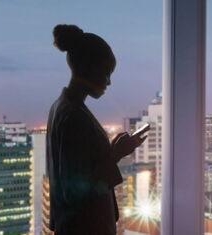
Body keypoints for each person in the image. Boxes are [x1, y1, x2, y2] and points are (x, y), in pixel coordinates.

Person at [46, 24, 148, 235]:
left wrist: (113, 152)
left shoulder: (62, 108)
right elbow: (78, 190)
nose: (109, 81)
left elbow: (79, 168)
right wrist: (116, 154)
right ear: (90, 68)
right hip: (85, 227)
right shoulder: (74, 116)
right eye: (106, 72)